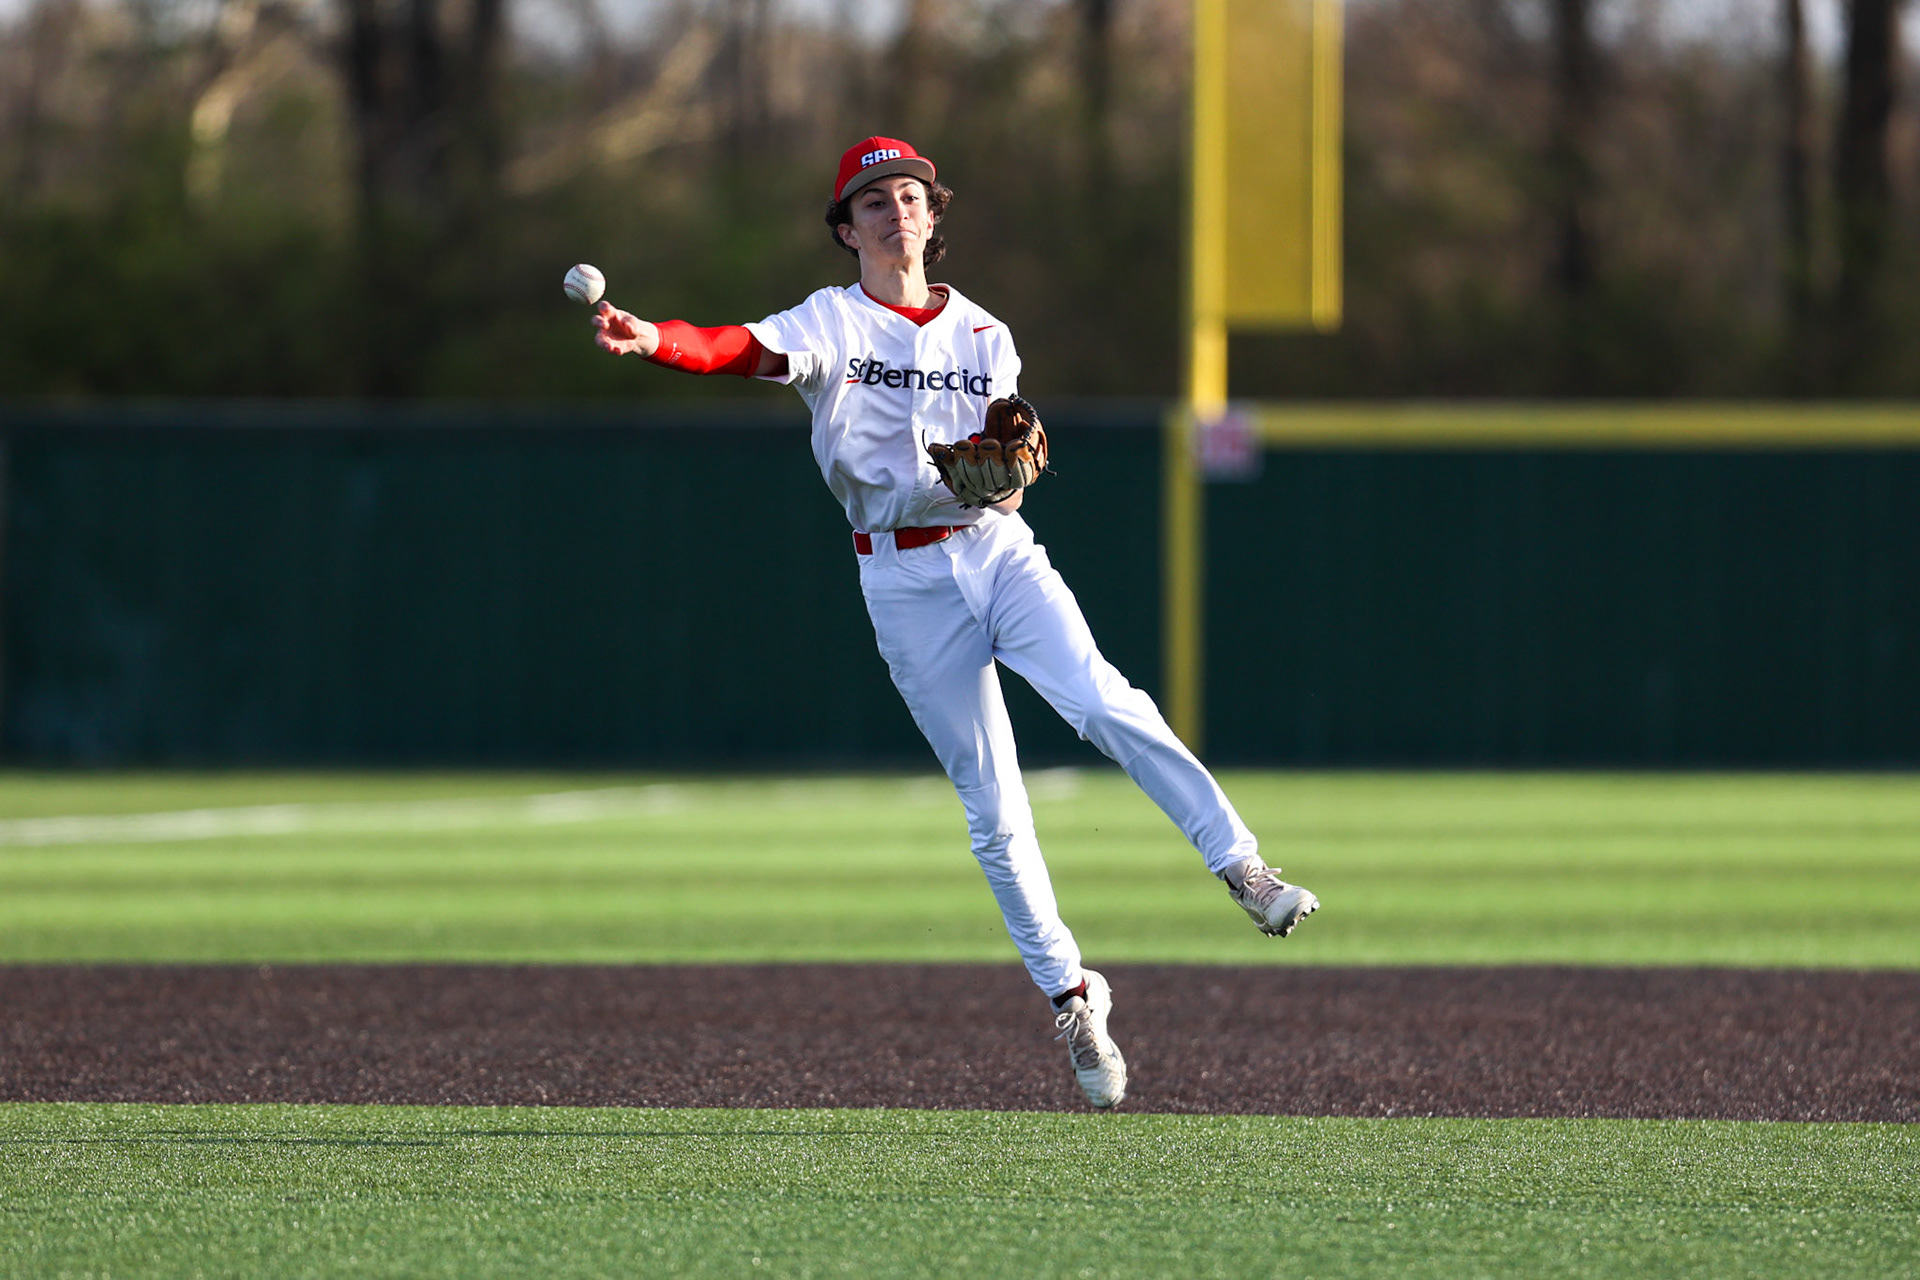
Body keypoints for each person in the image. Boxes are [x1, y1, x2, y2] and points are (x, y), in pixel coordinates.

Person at [590, 136, 1318, 1110]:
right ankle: (1071, 992)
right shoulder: (832, 321)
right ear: (847, 229)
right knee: (994, 806)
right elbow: (733, 346)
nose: (898, 211)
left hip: (995, 551)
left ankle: (1242, 865)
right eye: (875, 200)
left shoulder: (987, 334)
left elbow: (1008, 461)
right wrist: (655, 338)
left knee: (1101, 696)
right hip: (901, 579)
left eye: (911, 195)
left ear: (934, 215)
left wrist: (1007, 477)